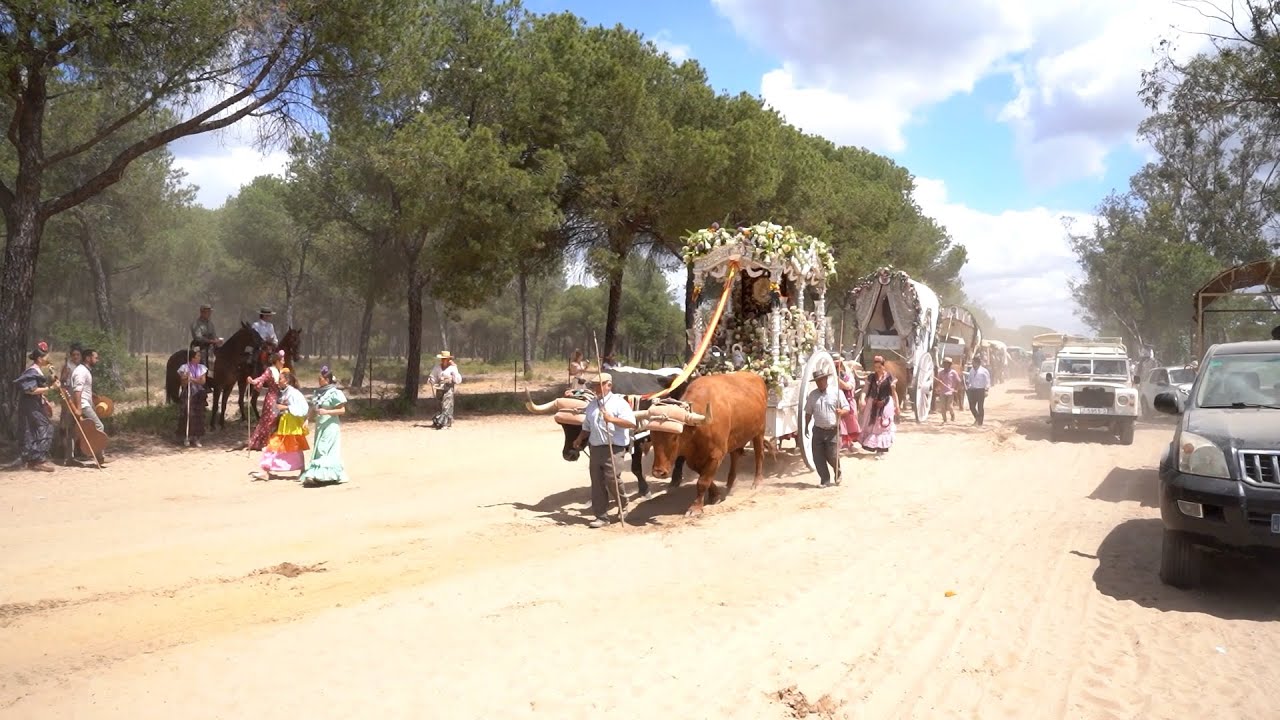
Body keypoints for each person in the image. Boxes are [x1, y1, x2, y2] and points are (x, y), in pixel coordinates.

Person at [570, 372, 637, 528]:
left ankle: (623, 503)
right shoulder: (592, 405)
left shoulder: (619, 403)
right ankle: (601, 517)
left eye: (599, 385)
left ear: (609, 385)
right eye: (594, 386)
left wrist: (611, 419)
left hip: (614, 447)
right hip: (595, 447)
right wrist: (579, 438)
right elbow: (587, 427)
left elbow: (631, 423)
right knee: (597, 482)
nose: (596, 389)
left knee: (612, 478)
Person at [251, 368, 309, 481]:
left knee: (296, 448)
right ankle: (265, 470)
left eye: (280, 379)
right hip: (283, 423)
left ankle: (303, 470)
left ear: (286, 381)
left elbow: (303, 408)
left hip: (292, 425)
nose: (278, 381)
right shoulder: (283, 393)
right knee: (273, 445)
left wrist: (287, 408)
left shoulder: (294, 393)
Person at [300, 365, 349, 488]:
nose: (318, 380)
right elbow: (314, 408)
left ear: (327, 380)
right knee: (319, 449)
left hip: (330, 425)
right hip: (320, 425)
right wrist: (307, 419)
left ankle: (321, 475)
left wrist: (327, 412)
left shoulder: (335, 393)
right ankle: (324, 475)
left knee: (323, 448)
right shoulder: (318, 393)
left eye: (320, 378)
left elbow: (342, 410)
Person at [13, 342, 57, 472]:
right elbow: (30, 390)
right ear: (39, 358)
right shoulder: (32, 371)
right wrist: (50, 388)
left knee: (33, 429)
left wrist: (45, 400)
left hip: (33, 404)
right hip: (30, 405)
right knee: (45, 427)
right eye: (46, 356)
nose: (48, 358)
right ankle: (38, 460)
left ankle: (31, 459)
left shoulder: (37, 371)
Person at [805, 366, 850, 487]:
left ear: (826, 379)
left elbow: (847, 409)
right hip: (818, 430)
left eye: (822, 380)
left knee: (832, 455)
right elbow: (808, 413)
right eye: (818, 381)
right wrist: (805, 427)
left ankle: (838, 473)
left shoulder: (837, 393)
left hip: (832, 431)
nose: (820, 382)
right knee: (818, 457)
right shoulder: (812, 395)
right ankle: (824, 480)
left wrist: (842, 411)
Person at [240, 350, 285, 451]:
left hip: (281, 398)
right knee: (269, 420)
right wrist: (253, 381)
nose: (284, 362)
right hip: (272, 399)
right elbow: (262, 378)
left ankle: (275, 441)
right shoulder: (270, 370)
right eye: (282, 360)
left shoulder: (281, 371)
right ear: (277, 361)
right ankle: (264, 442)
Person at [69, 348, 106, 464]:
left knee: (76, 431)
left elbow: (82, 389)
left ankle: (70, 457)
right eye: (95, 358)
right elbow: (77, 390)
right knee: (98, 426)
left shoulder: (84, 370)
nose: (97, 360)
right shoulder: (81, 371)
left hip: (83, 404)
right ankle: (99, 456)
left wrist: (93, 395)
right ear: (88, 358)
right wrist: (79, 408)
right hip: (83, 405)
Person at [858, 355, 898, 457]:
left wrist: (897, 406)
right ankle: (874, 446)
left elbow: (893, 393)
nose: (877, 369)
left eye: (879, 367)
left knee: (882, 425)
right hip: (873, 404)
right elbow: (865, 390)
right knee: (872, 425)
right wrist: (862, 399)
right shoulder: (871, 377)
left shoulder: (889, 377)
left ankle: (881, 450)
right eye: (876, 367)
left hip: (886, 404)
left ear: (883, 366)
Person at [176, 343, 209, 448]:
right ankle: (187, 437)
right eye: (197, 356)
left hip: (199, 394)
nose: (199, 358)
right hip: (188, 393)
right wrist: (186, 379)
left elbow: (202, 381)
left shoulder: (202, 368)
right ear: (192, 358)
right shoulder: (184, 368)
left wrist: (192, 379)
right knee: (188, 414)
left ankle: (196, 438)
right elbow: (183, 383)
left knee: (199, 416)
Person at [57, 343, 81, 461]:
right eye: (74, 355)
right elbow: (62, 381)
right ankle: (64, 450)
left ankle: (77, 449)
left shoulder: (80, 367)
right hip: (69, 398)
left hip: (77, 398)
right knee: (66, 424)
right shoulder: (68, 366)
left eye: (78, 354)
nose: (76, 357)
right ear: (71, 356)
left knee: (77, 424)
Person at [832, 355, 861, 450]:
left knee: (850, 422)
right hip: (836, 401)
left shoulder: (848, 374)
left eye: (838, 364)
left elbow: (848, 386)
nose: (837, 366)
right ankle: (840, 443)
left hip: (848, 400)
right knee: (839, 423)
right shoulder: (830, 374)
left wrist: (838, 380)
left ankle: (850, 443)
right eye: (835, 364)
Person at [429, 350, 462, 428]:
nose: (443, 360)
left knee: (446, 405)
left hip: (448, 388)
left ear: (448, 359)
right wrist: (431, 380)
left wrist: (452, 378)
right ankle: (437, 421)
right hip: (439, 388)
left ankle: (446, 423)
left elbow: (457, 379)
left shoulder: (453, 368)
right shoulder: (437, 367)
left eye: (445, 359)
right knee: (439, 404)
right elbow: (433, 376)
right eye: (442, 359)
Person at [935, 357, 964, 424]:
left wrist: (955, 389)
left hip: (950, 392)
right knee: (942, 407)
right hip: (942, 392)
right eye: (944, 363)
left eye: (947, 363)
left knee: (949, 406)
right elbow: (938, 381)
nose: (945, 365)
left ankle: (952, 414)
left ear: (949, 364)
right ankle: (944, 420)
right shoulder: (941, 373)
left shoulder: (953, 372)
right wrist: (938, 386)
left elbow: (958, 381)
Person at [966, 356, 993, 426]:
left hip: (980, 390)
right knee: (972, 407)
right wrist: (968, 384)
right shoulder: (971, 370)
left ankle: (980, 422)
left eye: (973, 363)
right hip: (972, 390)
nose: (972, 364)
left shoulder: (984, 371)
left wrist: (986, 390)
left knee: (980, 407)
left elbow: (988, 381)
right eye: (972, 363)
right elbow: (969, 379)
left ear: (977, 363)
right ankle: (977, 418)